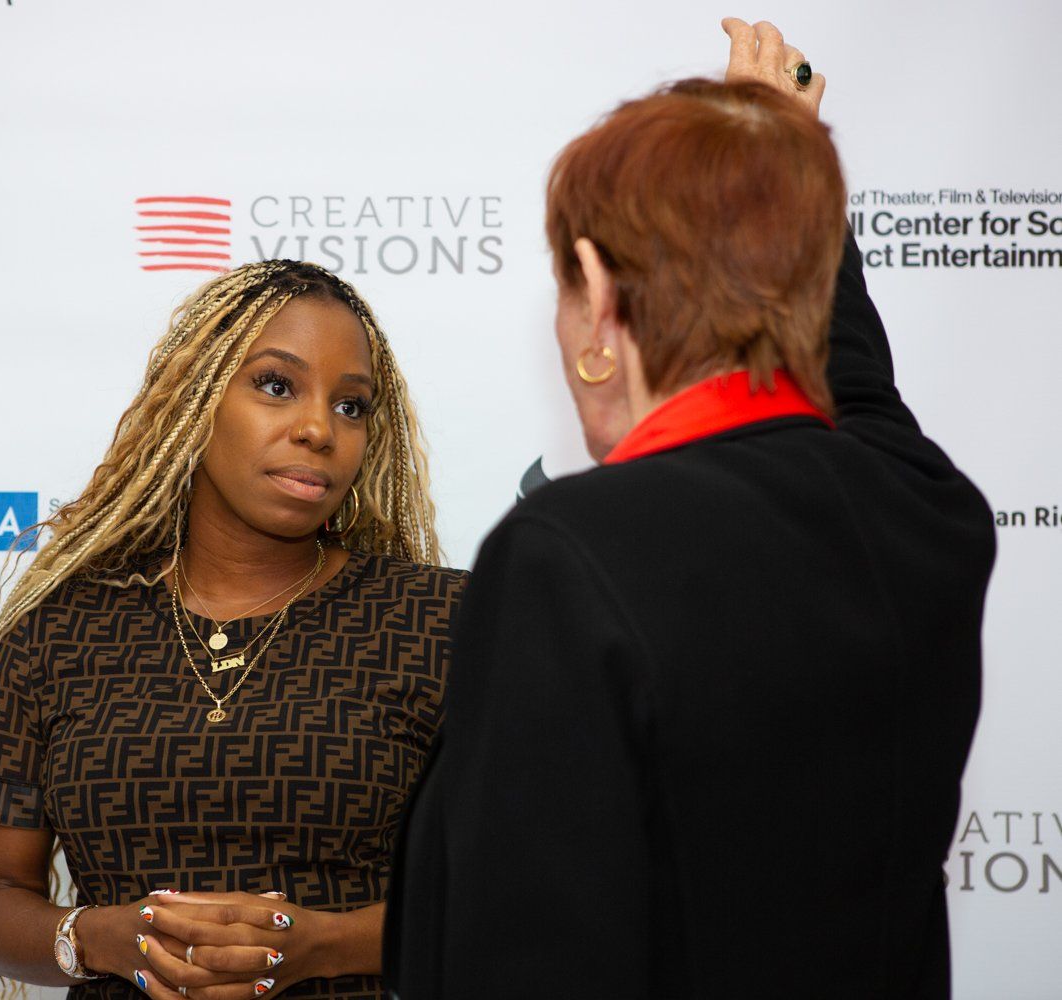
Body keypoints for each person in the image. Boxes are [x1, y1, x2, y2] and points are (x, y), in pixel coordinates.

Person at [386, 19, 995, 999]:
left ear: (596, 291)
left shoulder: (569, 555)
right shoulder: (925, 509)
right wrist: (782, 175)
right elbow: (856, 385)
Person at [0, 259, 466, 1000]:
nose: (319, 429)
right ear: (197, 398)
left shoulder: (443, 623)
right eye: (276, 386)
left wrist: (321, 946)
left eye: (351, 406)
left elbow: (519, 890)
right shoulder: (56, 634)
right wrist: (97, 938)